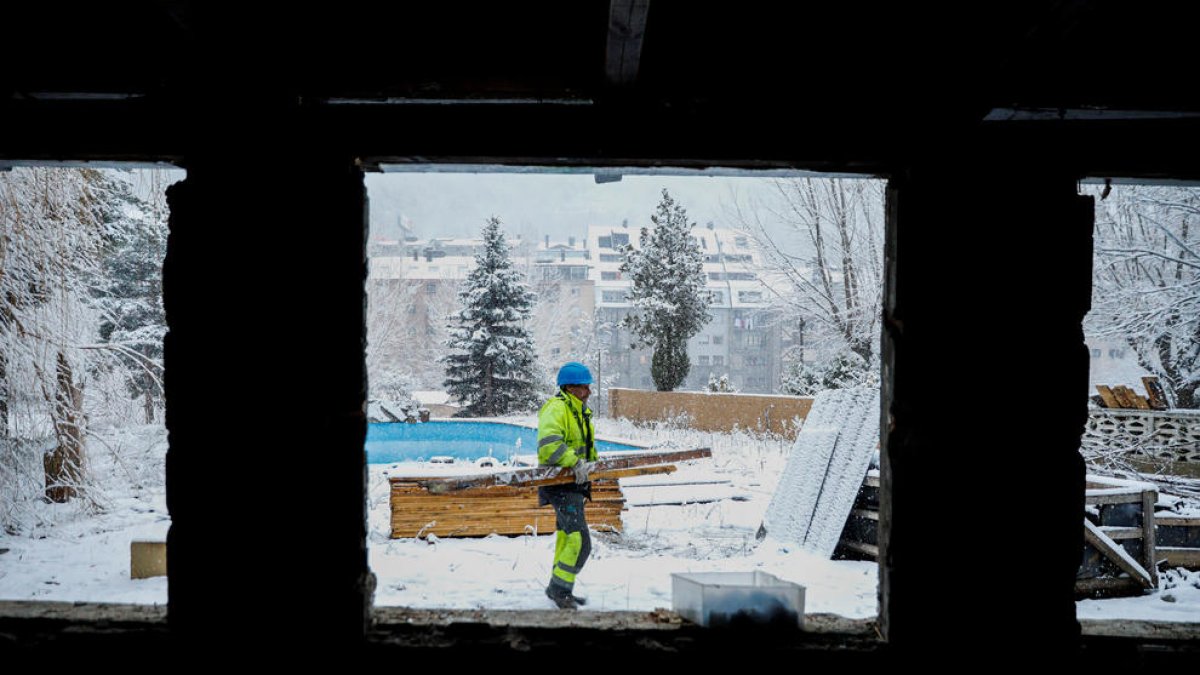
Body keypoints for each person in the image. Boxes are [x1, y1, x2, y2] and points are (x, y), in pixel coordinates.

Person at [537, 361, 598, 610]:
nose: (589, 392)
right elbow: (549, 445)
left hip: (571, 484)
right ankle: (559, 590)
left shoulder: (578, 412)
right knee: (580, 541)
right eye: (585, 387)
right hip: (559, 485)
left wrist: (591, 466)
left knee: (566, 537)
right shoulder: (557, 409)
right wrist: (575, 462)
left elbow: (585, 447)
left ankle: (559, 588)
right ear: (570, 388)